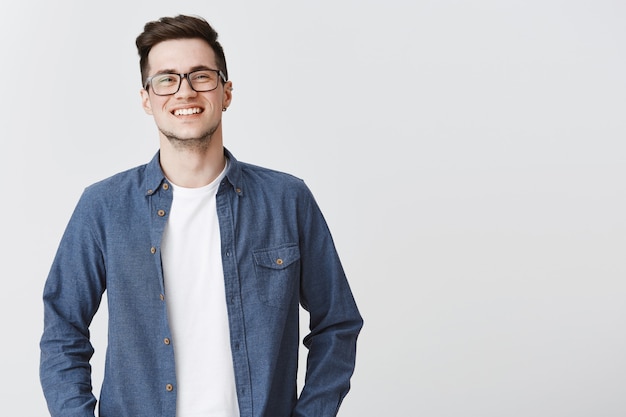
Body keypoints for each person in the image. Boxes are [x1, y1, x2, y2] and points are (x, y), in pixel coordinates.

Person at [39, 14, 363, 417]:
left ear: (226, 92)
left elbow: (337, 323)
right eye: (166, 79)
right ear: (147, 99)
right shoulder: (103, 207)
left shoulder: (287, 200)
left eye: (201, 77)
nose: (185, 92)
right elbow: (62, 329)